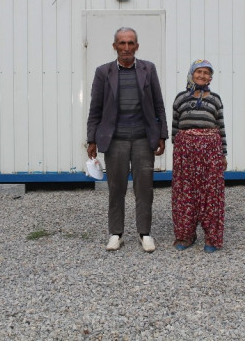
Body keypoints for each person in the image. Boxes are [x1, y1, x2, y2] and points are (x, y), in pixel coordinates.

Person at [87, 27, 168, 253]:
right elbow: (95, 109)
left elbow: (158, 104)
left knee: (145, 189)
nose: (126, 47)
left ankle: (145, 233)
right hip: (115, 140)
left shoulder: (148, 69)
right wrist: (91, 139)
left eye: (130, 43)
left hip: (143, 139)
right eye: (121, 43)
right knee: (116, 188)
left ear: (137, 46)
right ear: (114, 46)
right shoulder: (103, 72)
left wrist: (162, 134)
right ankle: (116, 233)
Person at [171, 59, 227, 253]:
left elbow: (221, 128)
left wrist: (223, 154)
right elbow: (175, 128)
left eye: (206, 73)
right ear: (191, 74)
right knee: (185, 193)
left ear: (210, 78)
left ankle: (212, 238)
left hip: (210, 153)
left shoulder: (215, 99)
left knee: (210, 193)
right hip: (185, 154)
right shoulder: (180, 99)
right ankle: (186, 235)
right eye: (199, 72)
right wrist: (178, 153)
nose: (202, 76)